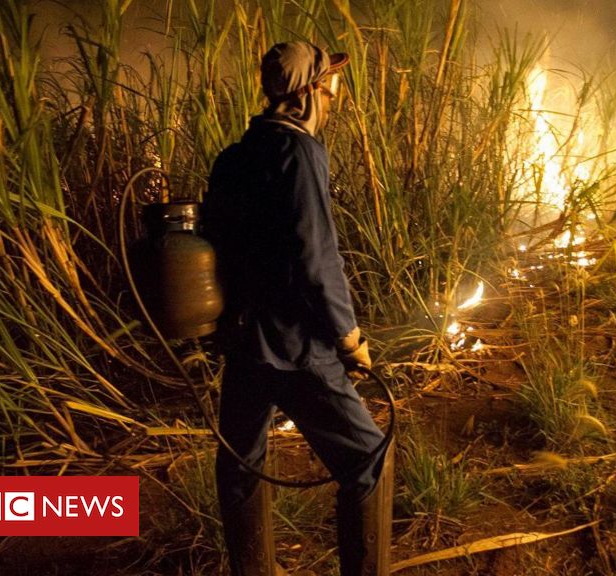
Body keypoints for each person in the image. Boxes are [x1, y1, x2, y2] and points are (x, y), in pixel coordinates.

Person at [202, 41, 392, 576]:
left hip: (242, 343)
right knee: (367, 459)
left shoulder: (234, 156)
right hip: (295, 346)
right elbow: (317, 257)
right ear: (310, 92)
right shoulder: (300, 153)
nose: (336, 94)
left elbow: (217, 244)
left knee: (240, 463)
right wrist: (350, 338)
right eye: (331, 83)